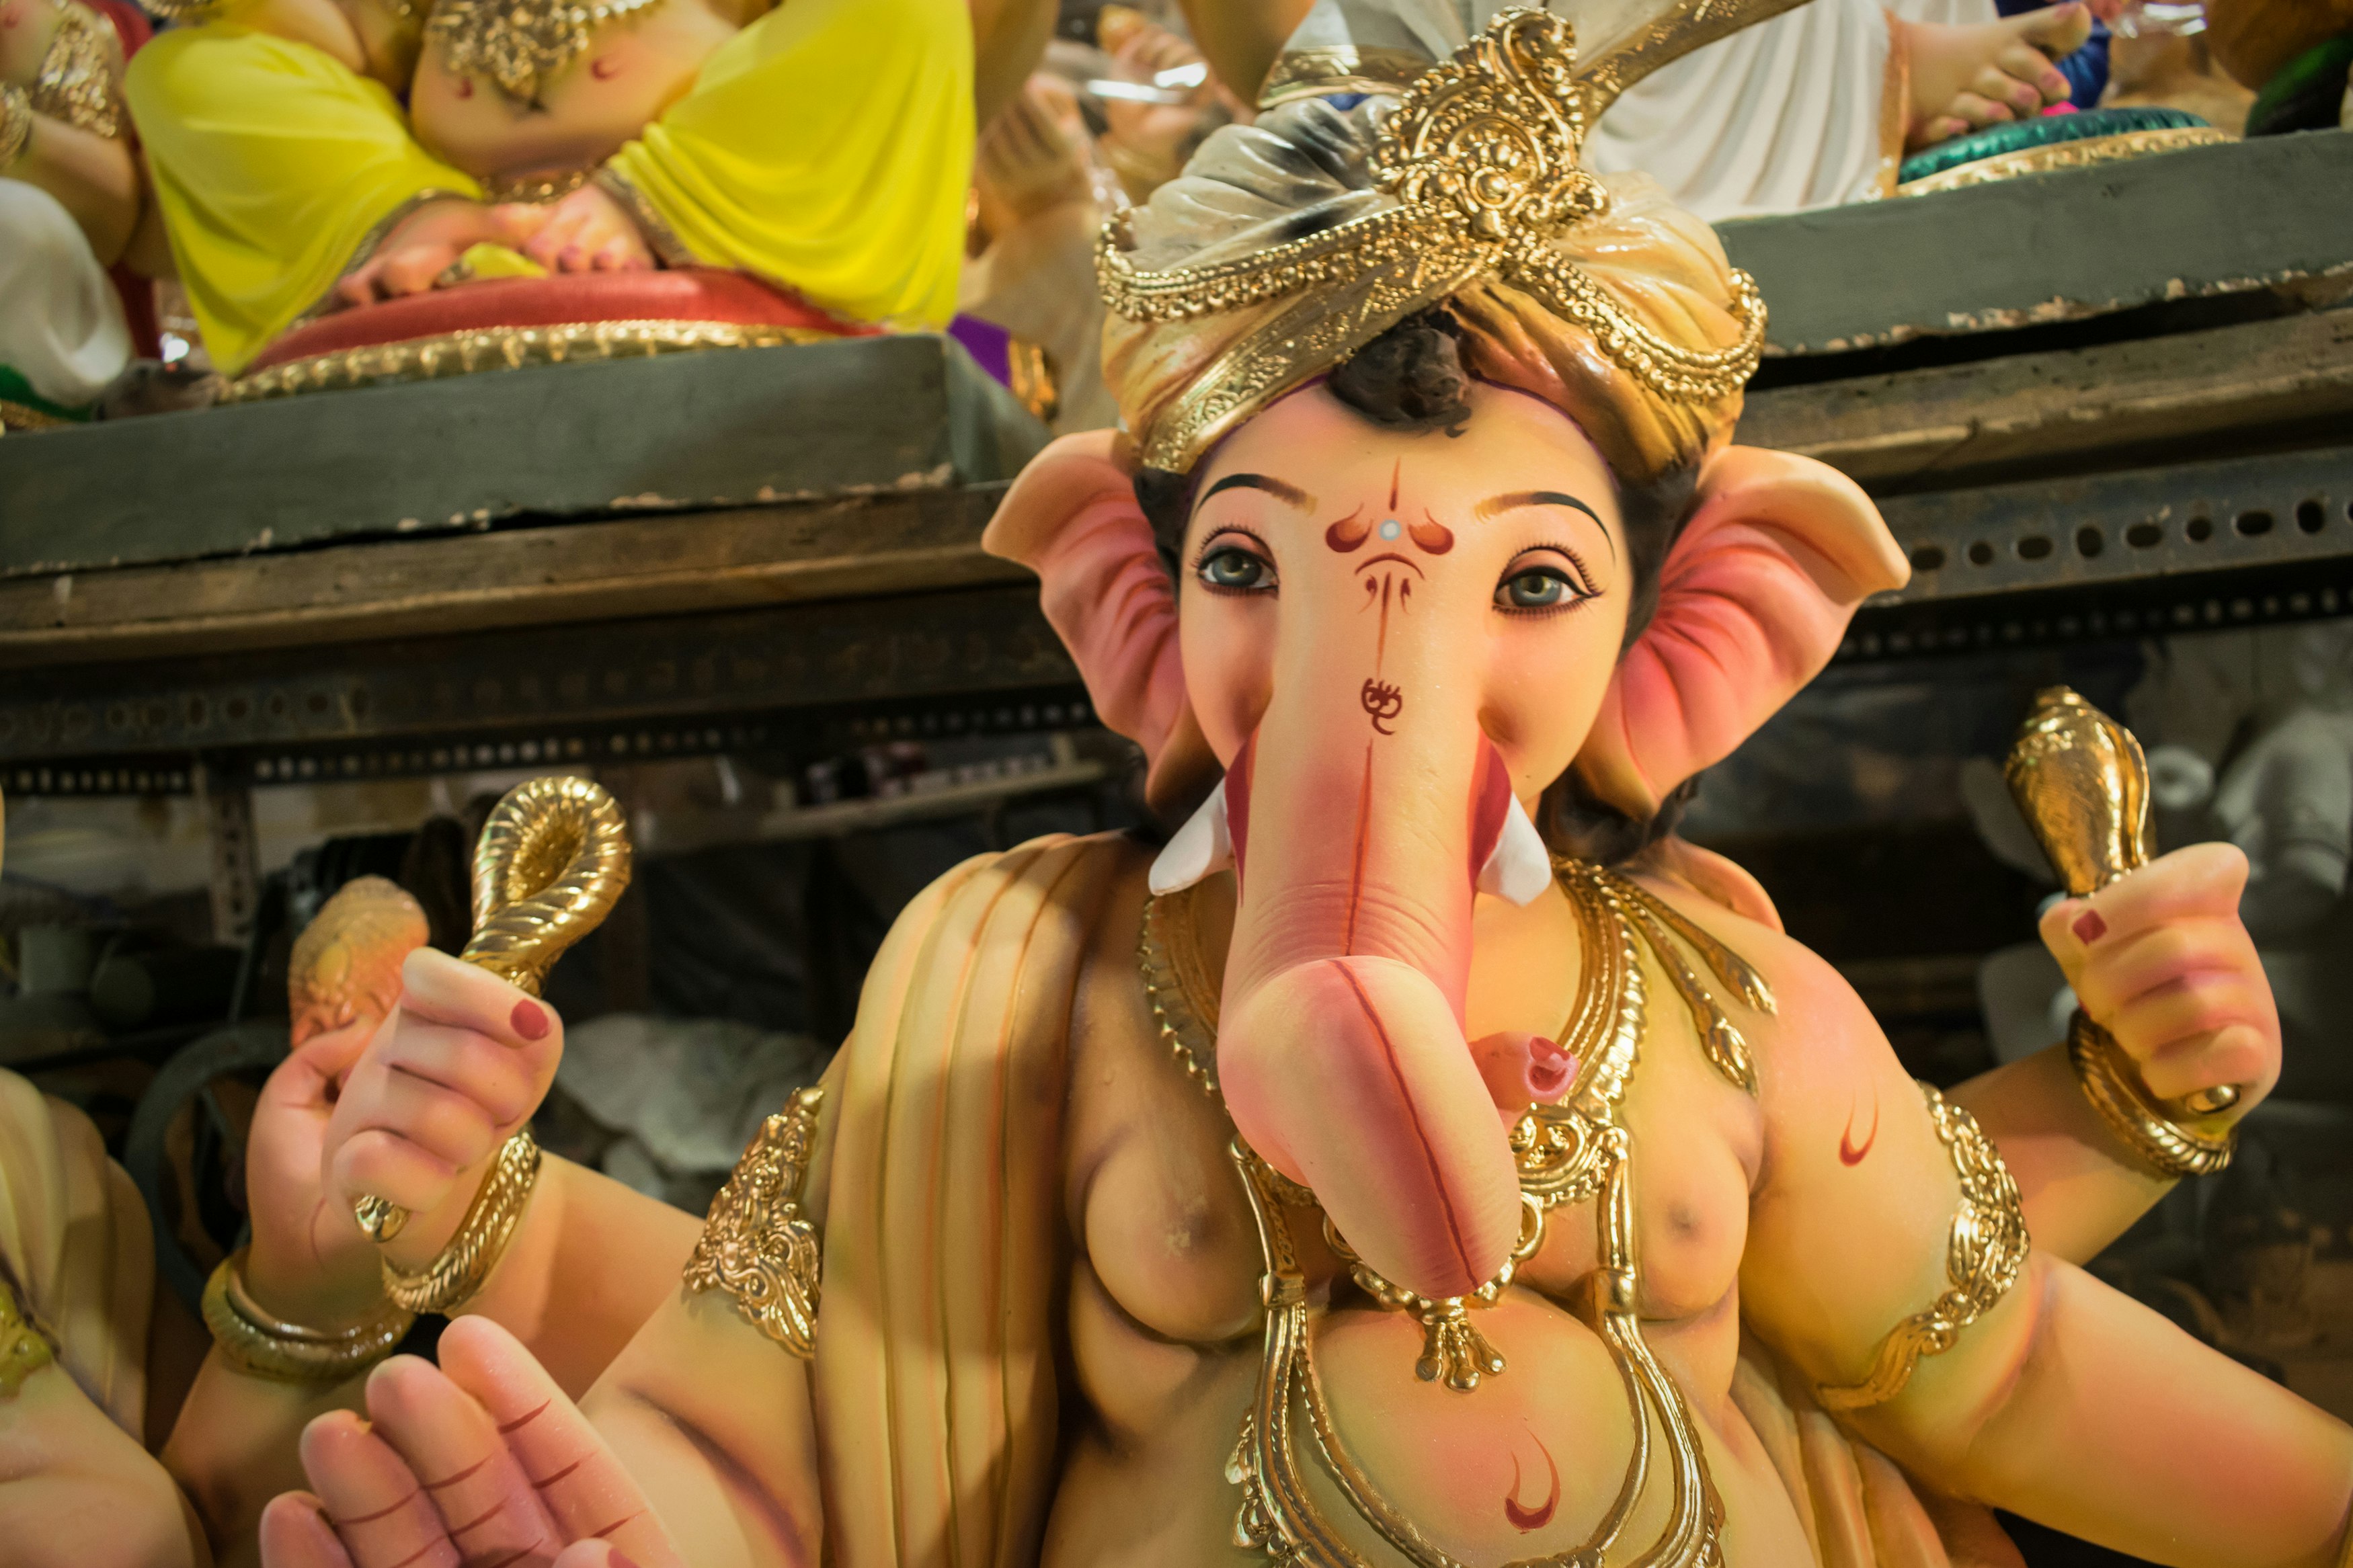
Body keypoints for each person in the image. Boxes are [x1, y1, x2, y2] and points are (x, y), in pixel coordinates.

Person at [233, 9, 2346, 1568]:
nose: (1389, 666)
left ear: (1697, 626)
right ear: (1126, 603)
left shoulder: (1716, 994)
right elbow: (777, 1426)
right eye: (1254, 562)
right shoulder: (1010, 987)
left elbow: (2009, 1367)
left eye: (1528, 578)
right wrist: (619, 1536)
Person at [120, 0, 1054, 378]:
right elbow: (332, 40)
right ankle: (425, 223)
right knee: (184, 72)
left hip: (713, 182)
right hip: (437, 186)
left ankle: (646, 205)